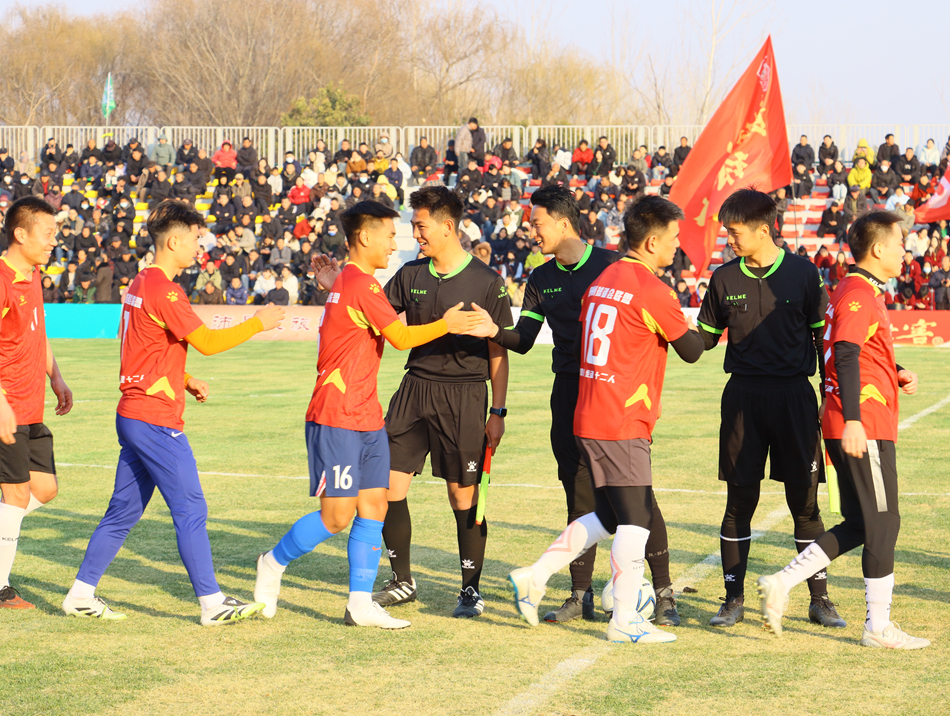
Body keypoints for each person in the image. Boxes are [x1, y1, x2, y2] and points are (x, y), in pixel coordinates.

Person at [253, 201, 482, 628]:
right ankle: (272, 562)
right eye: (390, 236)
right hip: (336, 414)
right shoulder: (359, 284)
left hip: (367, 415)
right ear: (364, 237)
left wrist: (333, 284)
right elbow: (400, 337)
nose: (395, 244)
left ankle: (359, 603)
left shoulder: (351, 281)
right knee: (336, 516)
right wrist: (447, 324)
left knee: (375, 505)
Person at [63, 201, 286, 625]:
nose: (200, 248)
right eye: (196, 239)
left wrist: (184, 378)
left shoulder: (140, 282)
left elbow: (145, 349)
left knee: (123, 512)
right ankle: (212, 604)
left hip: (135, 412)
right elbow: (208, 342)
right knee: (190, 509)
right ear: (173, 241)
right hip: (154, 418)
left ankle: (80, 594)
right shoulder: (165, 290)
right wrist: (258, 322)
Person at [507, 195, 705, 644]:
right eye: (674, 238)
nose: (677, 246)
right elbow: (692, 350)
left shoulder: (605, 278)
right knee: (636, 519)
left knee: (609, 516)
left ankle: (536, 575)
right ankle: (625, 620)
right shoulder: (650, 288)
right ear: (652, 242)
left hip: (589, 410)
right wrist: (706, 324)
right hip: (622, 415)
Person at [313, 185, 512, 619]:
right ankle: (402, 580)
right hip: (414, 389)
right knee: (386, 488)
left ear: (447, 226)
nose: (414, 235)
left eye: (420, 226)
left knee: (462, 496)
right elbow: (373, 316)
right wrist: (334, 287)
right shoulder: (411, 274)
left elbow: (499, 351)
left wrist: (497, 411)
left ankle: (470, 590)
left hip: (465, 395)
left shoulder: (487, 282)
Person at [758, 211, 930, 650]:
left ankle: (782, 582)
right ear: (878, 248)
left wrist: (895, 370)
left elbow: (858, 350)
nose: (904, 251)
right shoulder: (858, 293)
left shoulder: (855, 290)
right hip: (861, 422)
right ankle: (878, 626)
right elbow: (847, 352)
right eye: (900, 244)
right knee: (884, 521)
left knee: (863, 522)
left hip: (857, 418)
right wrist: (854, 419)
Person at [696, 188, 846, 629]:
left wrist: (832, 390)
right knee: (739, 501)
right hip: (742, 399)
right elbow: (703, 339)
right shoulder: (723, 278)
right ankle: (732, 599)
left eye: (735, 232)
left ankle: (819, 600)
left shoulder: (804, 274)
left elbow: (823, 338)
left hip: (794, 399)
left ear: (764, 230)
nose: (729, 240)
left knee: (805, 504)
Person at [0, 197, 74, 610]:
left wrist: (56, 375)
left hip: (31, 407)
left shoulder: (33, 277)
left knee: (44, 488)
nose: (53, 241)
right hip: (6, 408)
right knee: (13, 496)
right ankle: (0, 588)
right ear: (20, 234)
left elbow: (37, 332)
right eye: (47, 234)